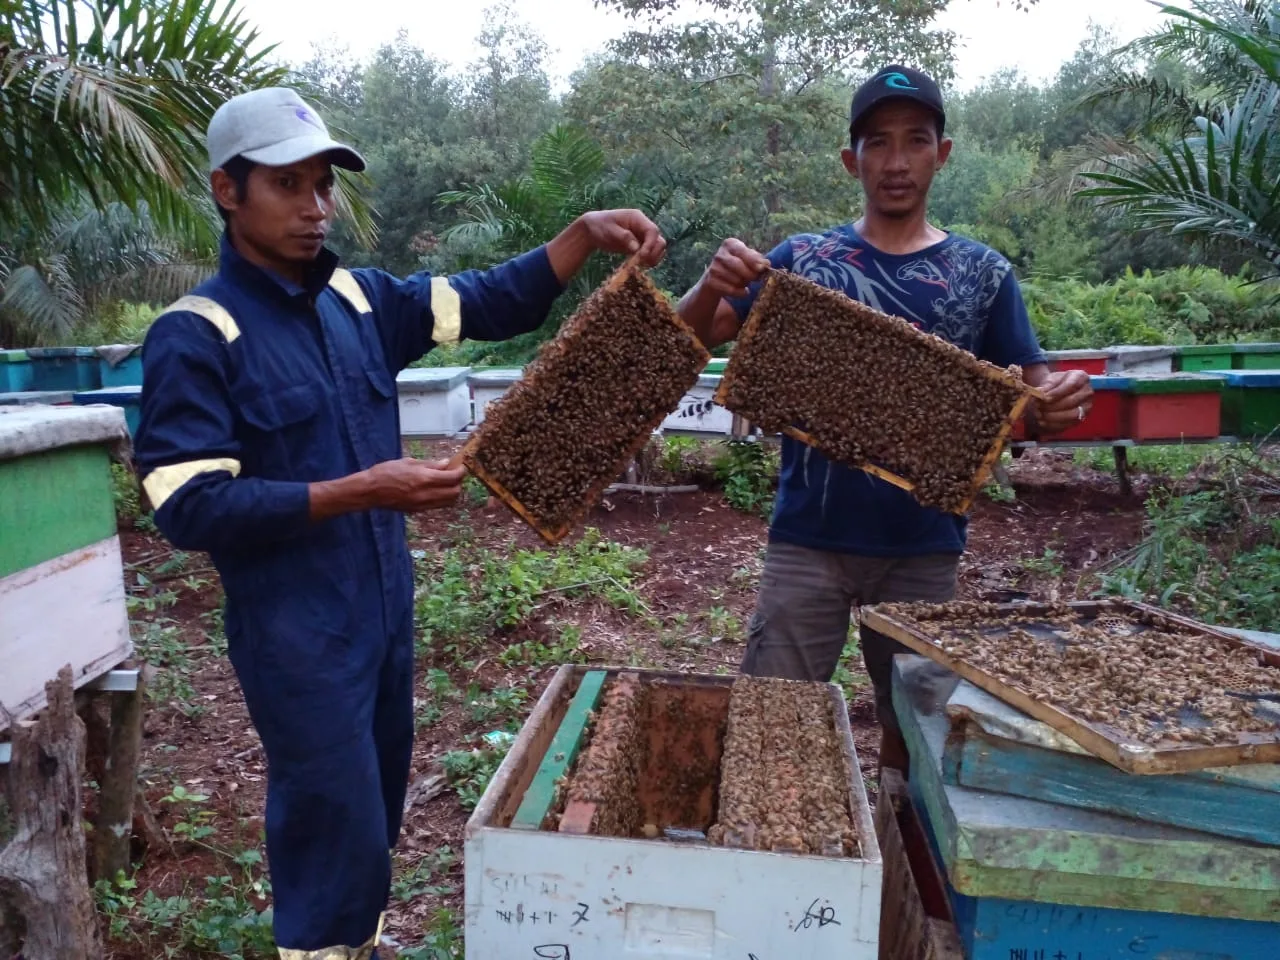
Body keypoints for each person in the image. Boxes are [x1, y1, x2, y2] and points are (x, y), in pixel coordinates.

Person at [132, 87, 667, 960]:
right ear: (228, 191)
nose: (315, 207)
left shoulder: (360, 302)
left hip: (382, 614)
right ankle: (318, 947)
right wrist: (361, 490)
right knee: (327, 817)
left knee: (374, 805)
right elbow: (188, 506)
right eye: (288, 186)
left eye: (323, 186)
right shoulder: (197, 334)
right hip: (296, 632)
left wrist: (580, 235)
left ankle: (360, 942)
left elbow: (486, 301)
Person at [676, 65, 1093, 769]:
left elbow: (1035, 394)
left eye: (915, 141)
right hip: (806, 544)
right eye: (878, 143)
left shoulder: (983, 273)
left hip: (923, 551)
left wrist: (1055, 405)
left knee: (918, 750)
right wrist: (707, 283)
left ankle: (899, 874)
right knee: (772, 733)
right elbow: (693, 339)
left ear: (943, 152)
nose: (896, 162)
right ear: (852, 159)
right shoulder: (803, 260)